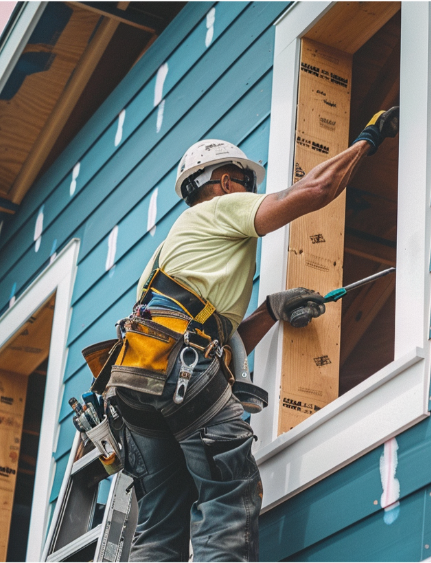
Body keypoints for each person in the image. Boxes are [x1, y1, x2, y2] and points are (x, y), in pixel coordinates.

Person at [105, 107, 399, 562]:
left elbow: (205, 337)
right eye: (246, 184)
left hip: (137, 382)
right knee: (227, 496)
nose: (252, 194)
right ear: (224, 182)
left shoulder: (172, 250)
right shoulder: (222, 208)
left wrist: (269, 311)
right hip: (176, 371)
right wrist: (368, 138)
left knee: (160, 523)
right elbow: (317, 190)